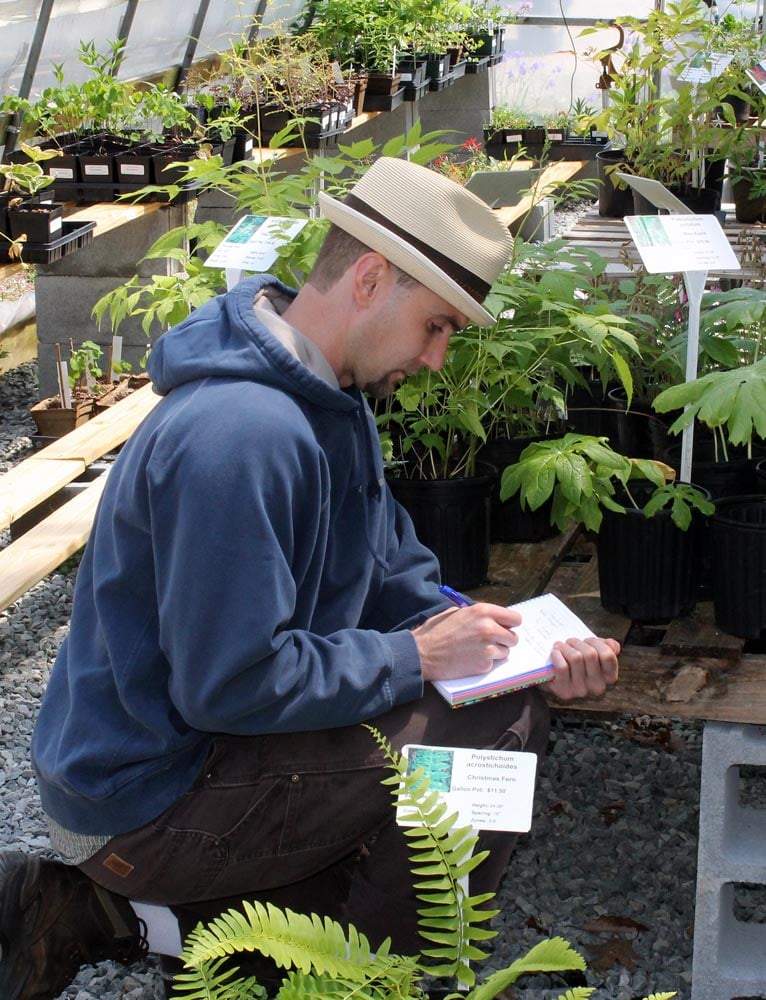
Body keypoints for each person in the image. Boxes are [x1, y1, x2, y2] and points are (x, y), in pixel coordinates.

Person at [0, 156, 620, 1000]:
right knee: (492, 735)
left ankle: (110, 916)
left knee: (498, 698)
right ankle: (382, 983)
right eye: (436, 326)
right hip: (148, 793)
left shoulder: (331, 399)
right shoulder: (241, 433)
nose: (438, 359)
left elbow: (395, 575)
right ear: (370, 278)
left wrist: (508, 639)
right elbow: (228, 685)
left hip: (206, 752)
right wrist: (421, 662)